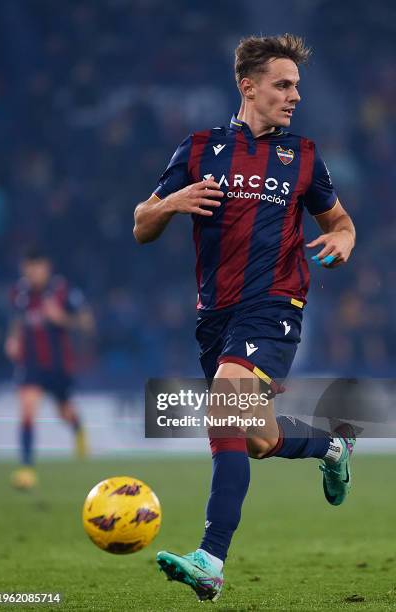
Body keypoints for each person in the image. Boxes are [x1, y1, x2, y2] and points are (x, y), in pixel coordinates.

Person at [133, 34, 356, 602]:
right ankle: (331, 448)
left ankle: (210, 559)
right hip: (216, 315)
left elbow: (340, 220)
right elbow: (140, 223)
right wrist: (170, 204)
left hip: (275, 303)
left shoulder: (303, 155)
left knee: (226, 403)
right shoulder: (200, 147)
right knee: (257, 438)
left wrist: (343, 236)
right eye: (283, 85)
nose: (294, 95)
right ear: (248, 86)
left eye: (297, 86)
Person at [5, 247, 95, 489]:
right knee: (27, 410)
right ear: (24, 269)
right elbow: (16, 320)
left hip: (58, 365)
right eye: (29, 267)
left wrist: (61, 318)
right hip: (30, 364)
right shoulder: (20, 293)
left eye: (38, 267)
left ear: (47, 267)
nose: (33, 272)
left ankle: (78, 429)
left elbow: (87, 322)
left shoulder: (63, 291)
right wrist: (12, 339)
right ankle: (26, 468)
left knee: (64, 411)